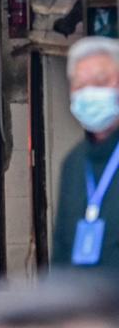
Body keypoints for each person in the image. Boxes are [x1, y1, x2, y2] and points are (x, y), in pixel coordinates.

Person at [52, 37, 119, 270]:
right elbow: (61, 252)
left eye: (100, 81)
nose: (90, 93)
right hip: (81, 304)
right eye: (81, 85)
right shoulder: (73, 163)